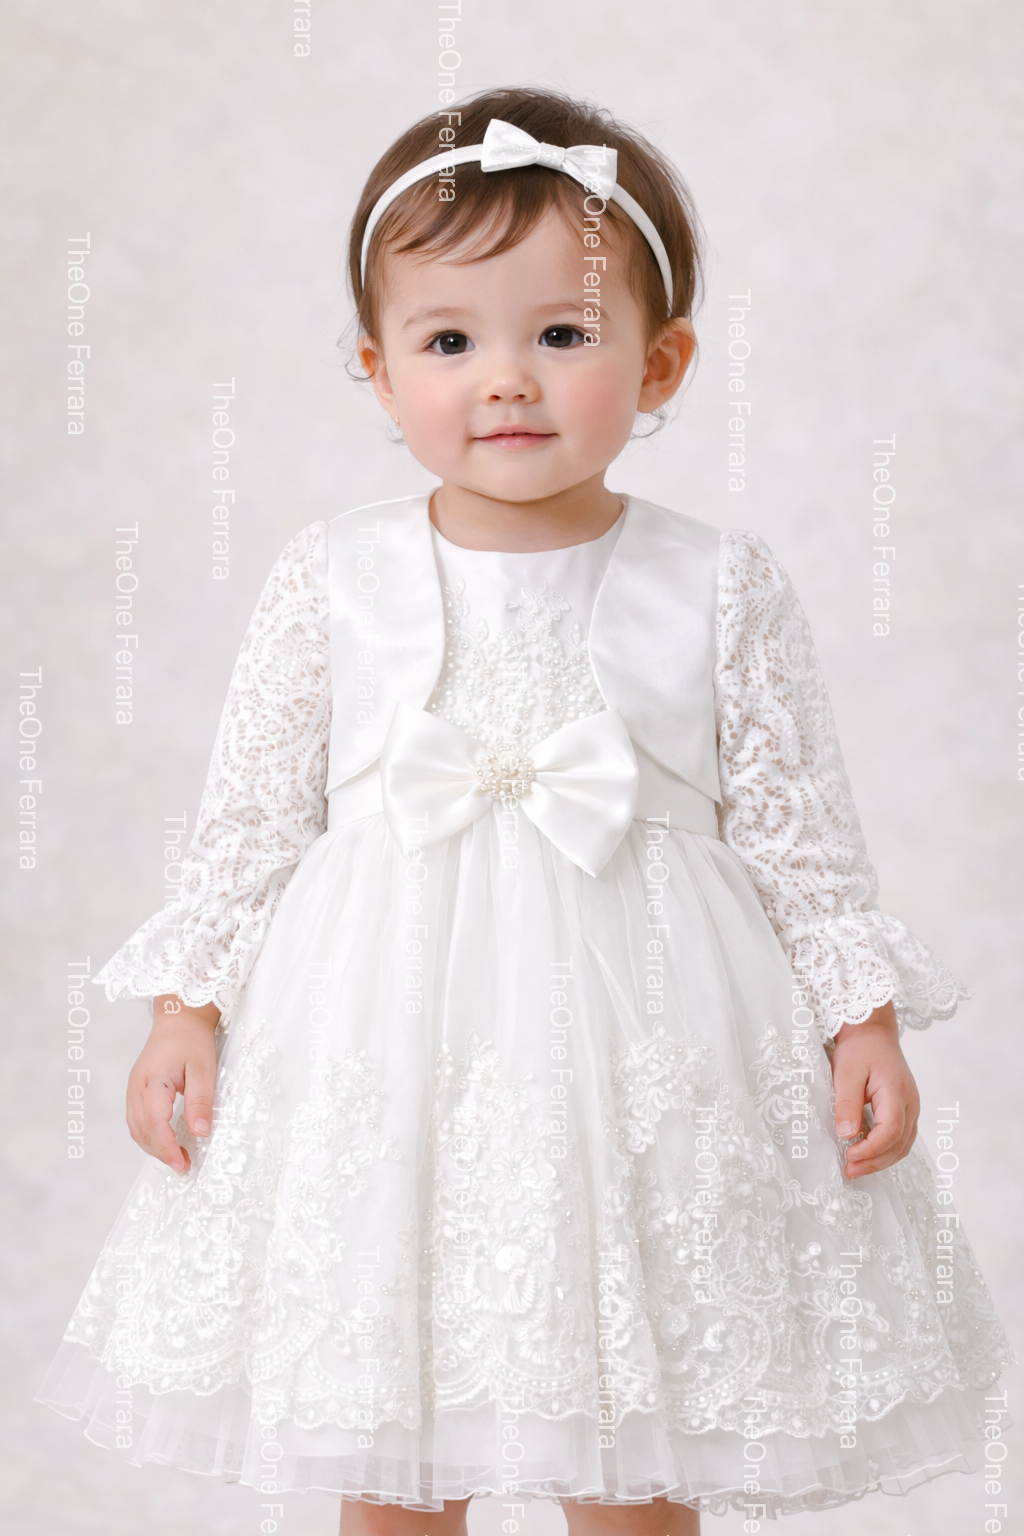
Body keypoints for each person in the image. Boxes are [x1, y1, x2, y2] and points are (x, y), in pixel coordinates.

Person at [38, 87, 1010, 1534]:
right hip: (384, 1038)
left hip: (651, 1048)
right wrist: (190, 1007)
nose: (506, 380)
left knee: (637, 1431)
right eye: (449, 342)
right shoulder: (332, 578)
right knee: (390, 1421)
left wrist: (859, 1022)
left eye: (562, 334)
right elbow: (247, 822)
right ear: (377, 372)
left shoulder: (719, 582)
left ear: (661, 359)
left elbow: (802, 840)